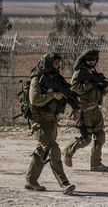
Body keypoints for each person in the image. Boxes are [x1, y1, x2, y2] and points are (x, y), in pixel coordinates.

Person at [25, 52, 79, 195]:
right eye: (55, 63)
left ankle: (31, 180)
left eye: (58, 63)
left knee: (42, 150)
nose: (58, 65)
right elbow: (34, 99)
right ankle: (64, 183)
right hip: (39, 122)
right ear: (49, 63)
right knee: (53, 149)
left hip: (52, 122)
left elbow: (68, 94)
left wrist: (75, 107)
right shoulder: (37, 79)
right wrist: (52, 95)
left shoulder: (57, 79)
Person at [63, 49, 108, 172]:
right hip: (85, 111)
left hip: (95, 109)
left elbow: (96, 91)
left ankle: (96, 164)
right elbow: (74, 88)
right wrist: (91, 84)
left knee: (100, 136)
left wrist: (103, 90)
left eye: (94, 59)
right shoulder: (79, 74)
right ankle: (68, 151)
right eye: (89, 59)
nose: (92, 61)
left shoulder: (93, 73)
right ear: (84, 60)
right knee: (86, 139)